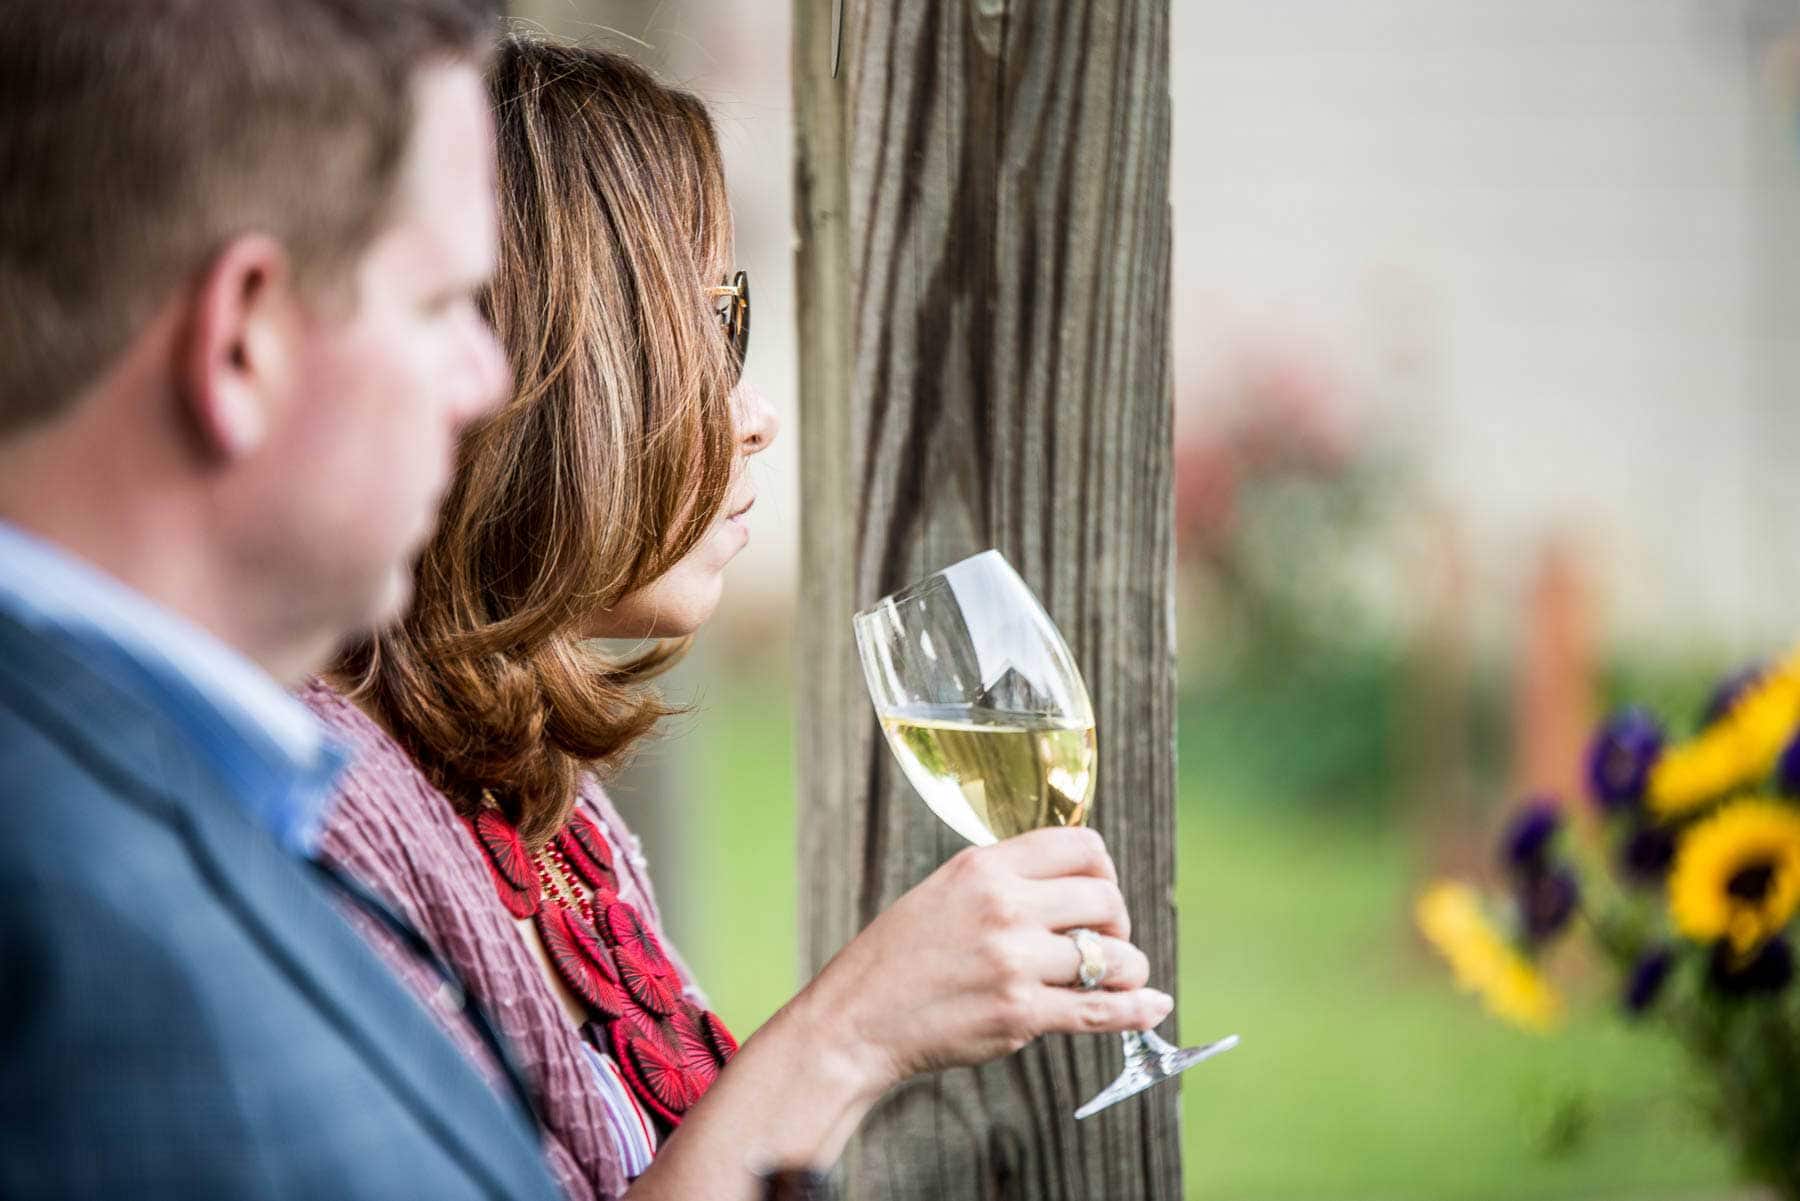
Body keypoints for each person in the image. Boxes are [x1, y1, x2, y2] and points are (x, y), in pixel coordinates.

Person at [309, 34, 1174, 1201]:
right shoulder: (325, 823)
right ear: (550, 378)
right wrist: (853, 1032)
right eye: (711, 329)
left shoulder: (539, 811)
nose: (755, 414)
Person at [0, 3, 563, 1198]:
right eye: (440, 304)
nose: (491, 375)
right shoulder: (71, 943)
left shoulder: (137, 790)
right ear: (243, 340)